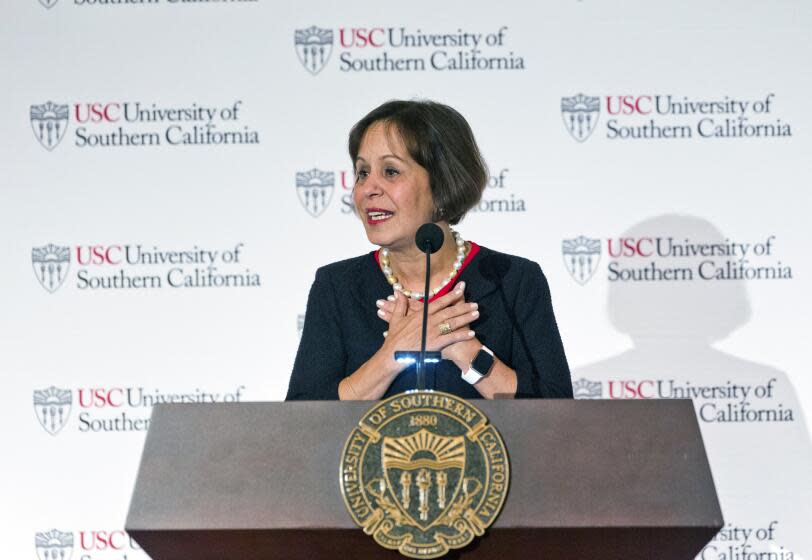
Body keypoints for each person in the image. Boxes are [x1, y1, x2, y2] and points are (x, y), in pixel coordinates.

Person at [286, 100, 572, 401]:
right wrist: (393, 353)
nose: (368, 189)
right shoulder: (337, 286)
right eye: (362, 172)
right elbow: (305, 420)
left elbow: (556, 416)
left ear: (443, 185)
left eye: (391, 171)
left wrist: (465, 351)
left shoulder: (512, 280)